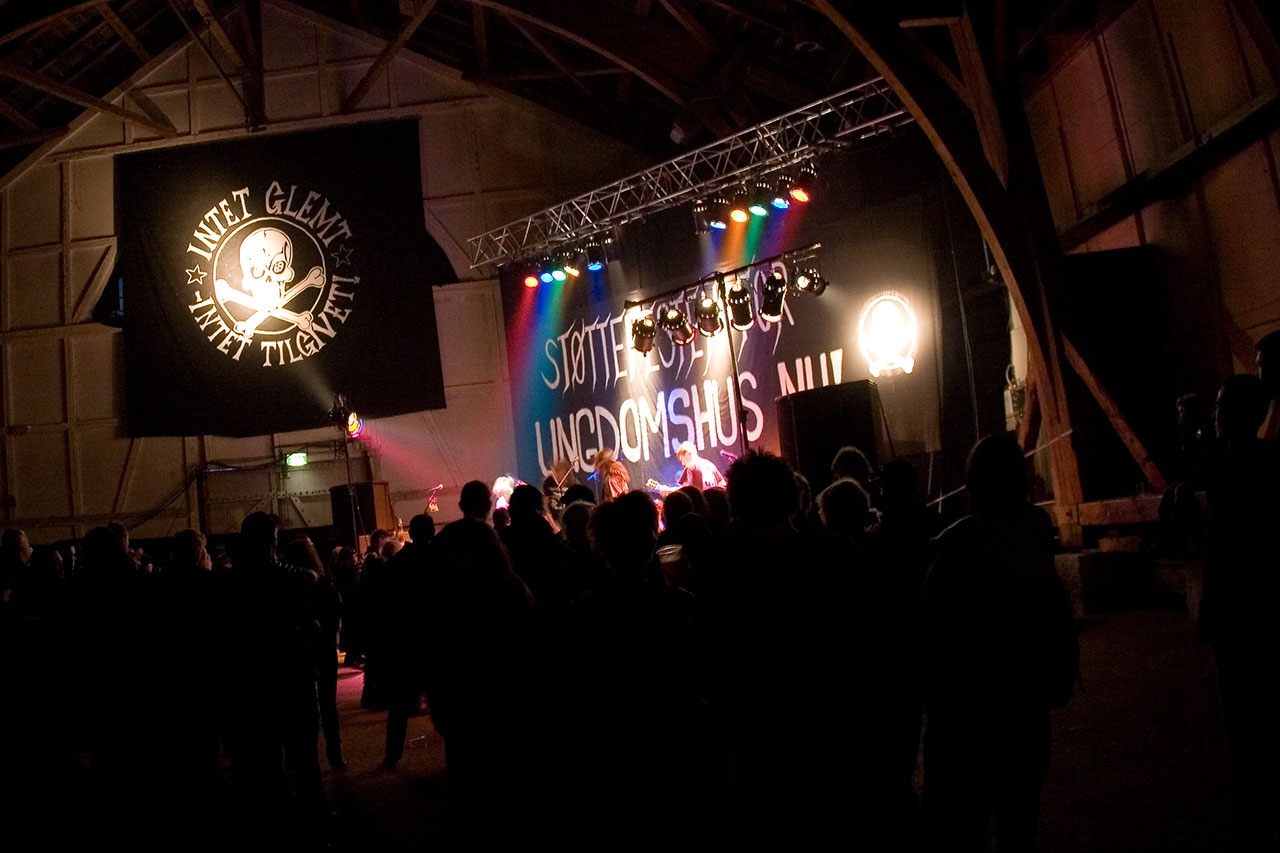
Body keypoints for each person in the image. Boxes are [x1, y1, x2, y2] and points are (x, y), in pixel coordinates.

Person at [921, 434, 1078, 853]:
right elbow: (1053, 613)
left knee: (963, 824)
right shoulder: (1035, 534)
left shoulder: (955, 546)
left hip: (967, 709)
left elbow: (932, 628)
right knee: (1019, 819)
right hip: (1024, 703)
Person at [1198, 374, 1280, 848]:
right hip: (1255, 608)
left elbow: (1225, 550)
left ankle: (1256, 808)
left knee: (1245, 713)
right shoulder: (1260, 462)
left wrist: (1212, 608)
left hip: (1240, 610)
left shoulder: (1235, 468)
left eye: (1222, 406)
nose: (1216, 414)